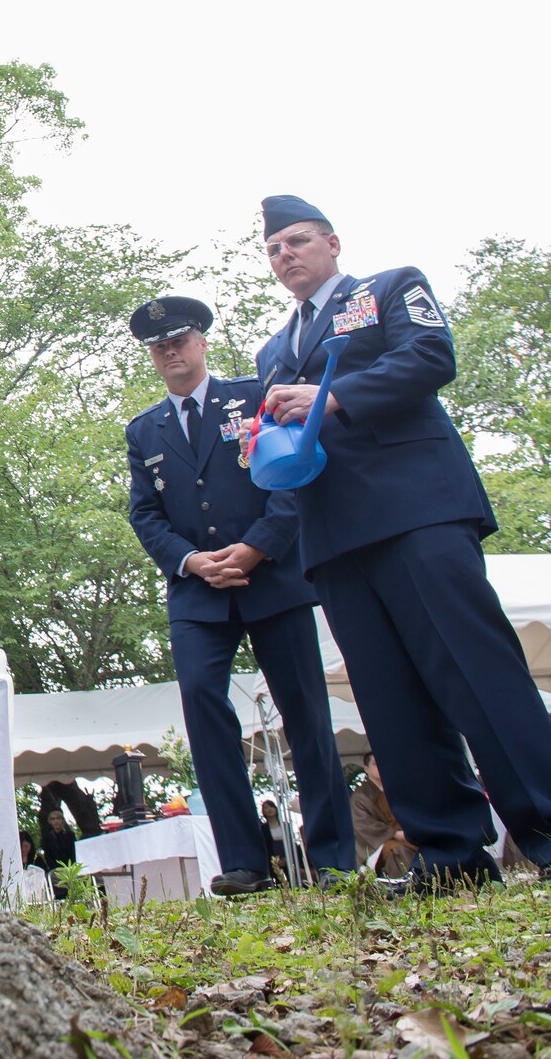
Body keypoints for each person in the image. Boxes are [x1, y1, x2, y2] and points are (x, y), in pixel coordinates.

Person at [254, 195, 551, 889]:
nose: (285, 254)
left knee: (478, 675)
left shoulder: (388, 289)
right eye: (273, 248)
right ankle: (451, 855)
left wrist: (331, 399)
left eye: (296, 240)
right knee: (391, 703)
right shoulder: (273, 349)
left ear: (332, 241)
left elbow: (429, 356)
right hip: (332, 536)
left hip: (416, 511)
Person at [124, 295, 356, 895]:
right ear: (152, 357)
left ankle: (333, 860)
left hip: (271, 575)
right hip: (198, 593)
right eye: (159, 345)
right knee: (203, 707)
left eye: (179, 339)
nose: (170, 351)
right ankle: (245, 863)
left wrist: (258, 546)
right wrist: (190, 560)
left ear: (202, 341)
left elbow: (293, 477)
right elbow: (145, 513)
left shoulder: (255, 395)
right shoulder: (143, 429)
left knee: (306, 712)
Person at [349, 752, 416, 877]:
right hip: (380, 843)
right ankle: (405, 887)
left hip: (408, 836)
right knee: (398, 851)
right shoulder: (360, 796)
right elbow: (362, 825)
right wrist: (394, 834)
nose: (380, 767)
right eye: (375, 764)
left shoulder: (396, 789)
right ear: (366, 769)